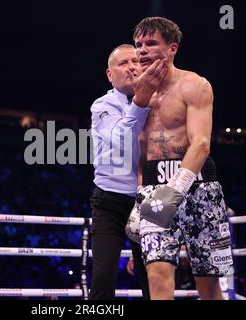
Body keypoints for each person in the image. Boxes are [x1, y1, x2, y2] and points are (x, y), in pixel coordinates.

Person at [125, 17, 234, 300]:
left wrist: (176, 189)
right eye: (139, 45)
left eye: (151, 43)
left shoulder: (194, 85)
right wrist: (140, 195)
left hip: (198, 187)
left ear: (172, 48)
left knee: (208, 283)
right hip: (153, 188)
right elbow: (136, 150)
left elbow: (201, 144)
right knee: (157, 275)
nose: (142, 50)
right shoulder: (137, 96)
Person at [89, 44, 168, 299]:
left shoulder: (159, 101)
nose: (132, 67)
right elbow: (122, 139)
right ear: (110, 75)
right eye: (123, 63)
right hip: (110, 202)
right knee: (103, 278)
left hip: (148, 199)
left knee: (152, 277)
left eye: (135, 61)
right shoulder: (101, 106)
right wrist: (141, 98)